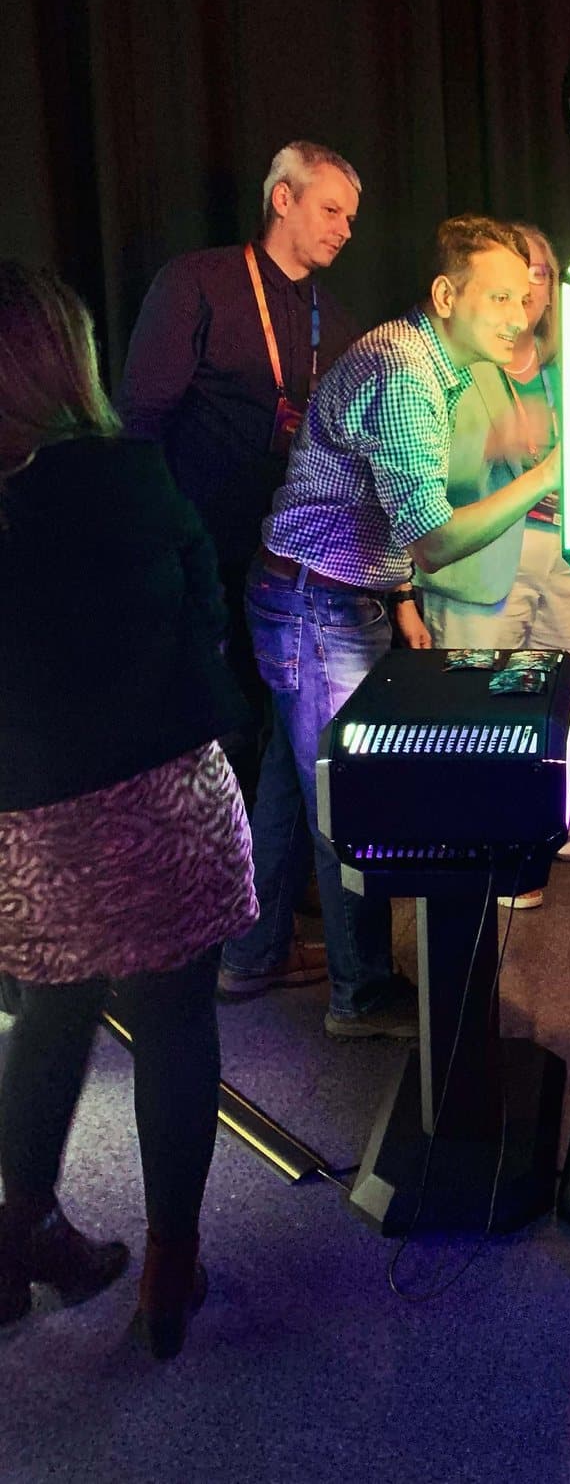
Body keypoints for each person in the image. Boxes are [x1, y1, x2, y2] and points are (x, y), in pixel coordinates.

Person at [0, 263, 255, 1359]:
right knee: (175, 1022)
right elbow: (206, 622)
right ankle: (168, 1266)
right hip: (163, 795)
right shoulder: (136, 477)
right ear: (67, 357)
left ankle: (19, 1237)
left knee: (46, 1019)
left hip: (33, 819)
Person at [228, 216, 559, 1037]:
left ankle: (254, 954)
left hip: (316, 594)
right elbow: (435, 537)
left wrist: (399, 598)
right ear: (447, 296)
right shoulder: (404, 372)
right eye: (500, 298)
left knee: (288, 789)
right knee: (347, 801)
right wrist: (557, 470)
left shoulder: (431, 361)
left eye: (525, 298)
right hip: (317, 604)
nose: (521, 316)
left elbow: (384, 510)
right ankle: (362, 995)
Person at [119, 142, 364, 998]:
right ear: (284, 198)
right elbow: (140, 418)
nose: (344, 229)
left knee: (280, 744)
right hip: (201, 559)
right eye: (331, 210)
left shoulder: (331, 312)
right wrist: (160, 548)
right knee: (218, 736)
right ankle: (204, 930)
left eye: (352, 218)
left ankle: (258, 930)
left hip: (293, 569)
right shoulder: (200, 282)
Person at [415, 223, 570, 909]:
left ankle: (561, 822)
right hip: (483, 555)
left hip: (568, 547)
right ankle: (499, 843)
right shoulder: (458, 361)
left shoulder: (569, 360)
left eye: (541, 273)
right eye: (518, 274)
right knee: (487, 701)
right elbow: (431, 484)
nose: (529, 287)